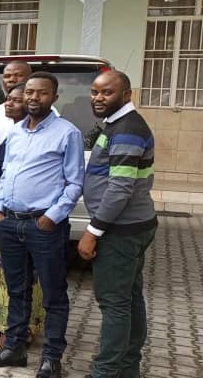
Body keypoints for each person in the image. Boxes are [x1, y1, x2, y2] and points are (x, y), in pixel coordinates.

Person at [0, 72, 84, 378]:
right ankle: (14, 348)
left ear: (54, 97)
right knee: (17, 290)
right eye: (29, 92)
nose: (34, 97)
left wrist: (53, 216)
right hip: (10, 223)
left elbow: (75, 182)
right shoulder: (16, 132)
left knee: (53, 294)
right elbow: (6, 172)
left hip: (44, 226)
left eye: (42, 93)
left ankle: (52, 358)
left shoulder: (68, 133)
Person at [79, 71, 157, 378]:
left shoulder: (127, 129)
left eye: (107, 92)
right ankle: (127, 368)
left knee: (114, 303)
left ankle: (106, 371)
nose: (98, 98)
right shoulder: (115, 124)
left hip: (120, 230)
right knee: (129, 298)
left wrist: (92, 230)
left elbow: (120, 188)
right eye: (95, 92)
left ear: (126, 95)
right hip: (133, 225)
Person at [0, 82, 47, 354]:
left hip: (31, 219)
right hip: (4, 216)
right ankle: (7, 326)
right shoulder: (13, 134)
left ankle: (21, 330)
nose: (9, 103)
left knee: (24, 276)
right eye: (8, 99)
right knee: (4, 274)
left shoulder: (43, 136)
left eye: (16, 100)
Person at [0, 61, 32, 143]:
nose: (12, 80)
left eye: (19, 75)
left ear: (30, 79)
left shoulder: (43, 112)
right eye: (7, 76)